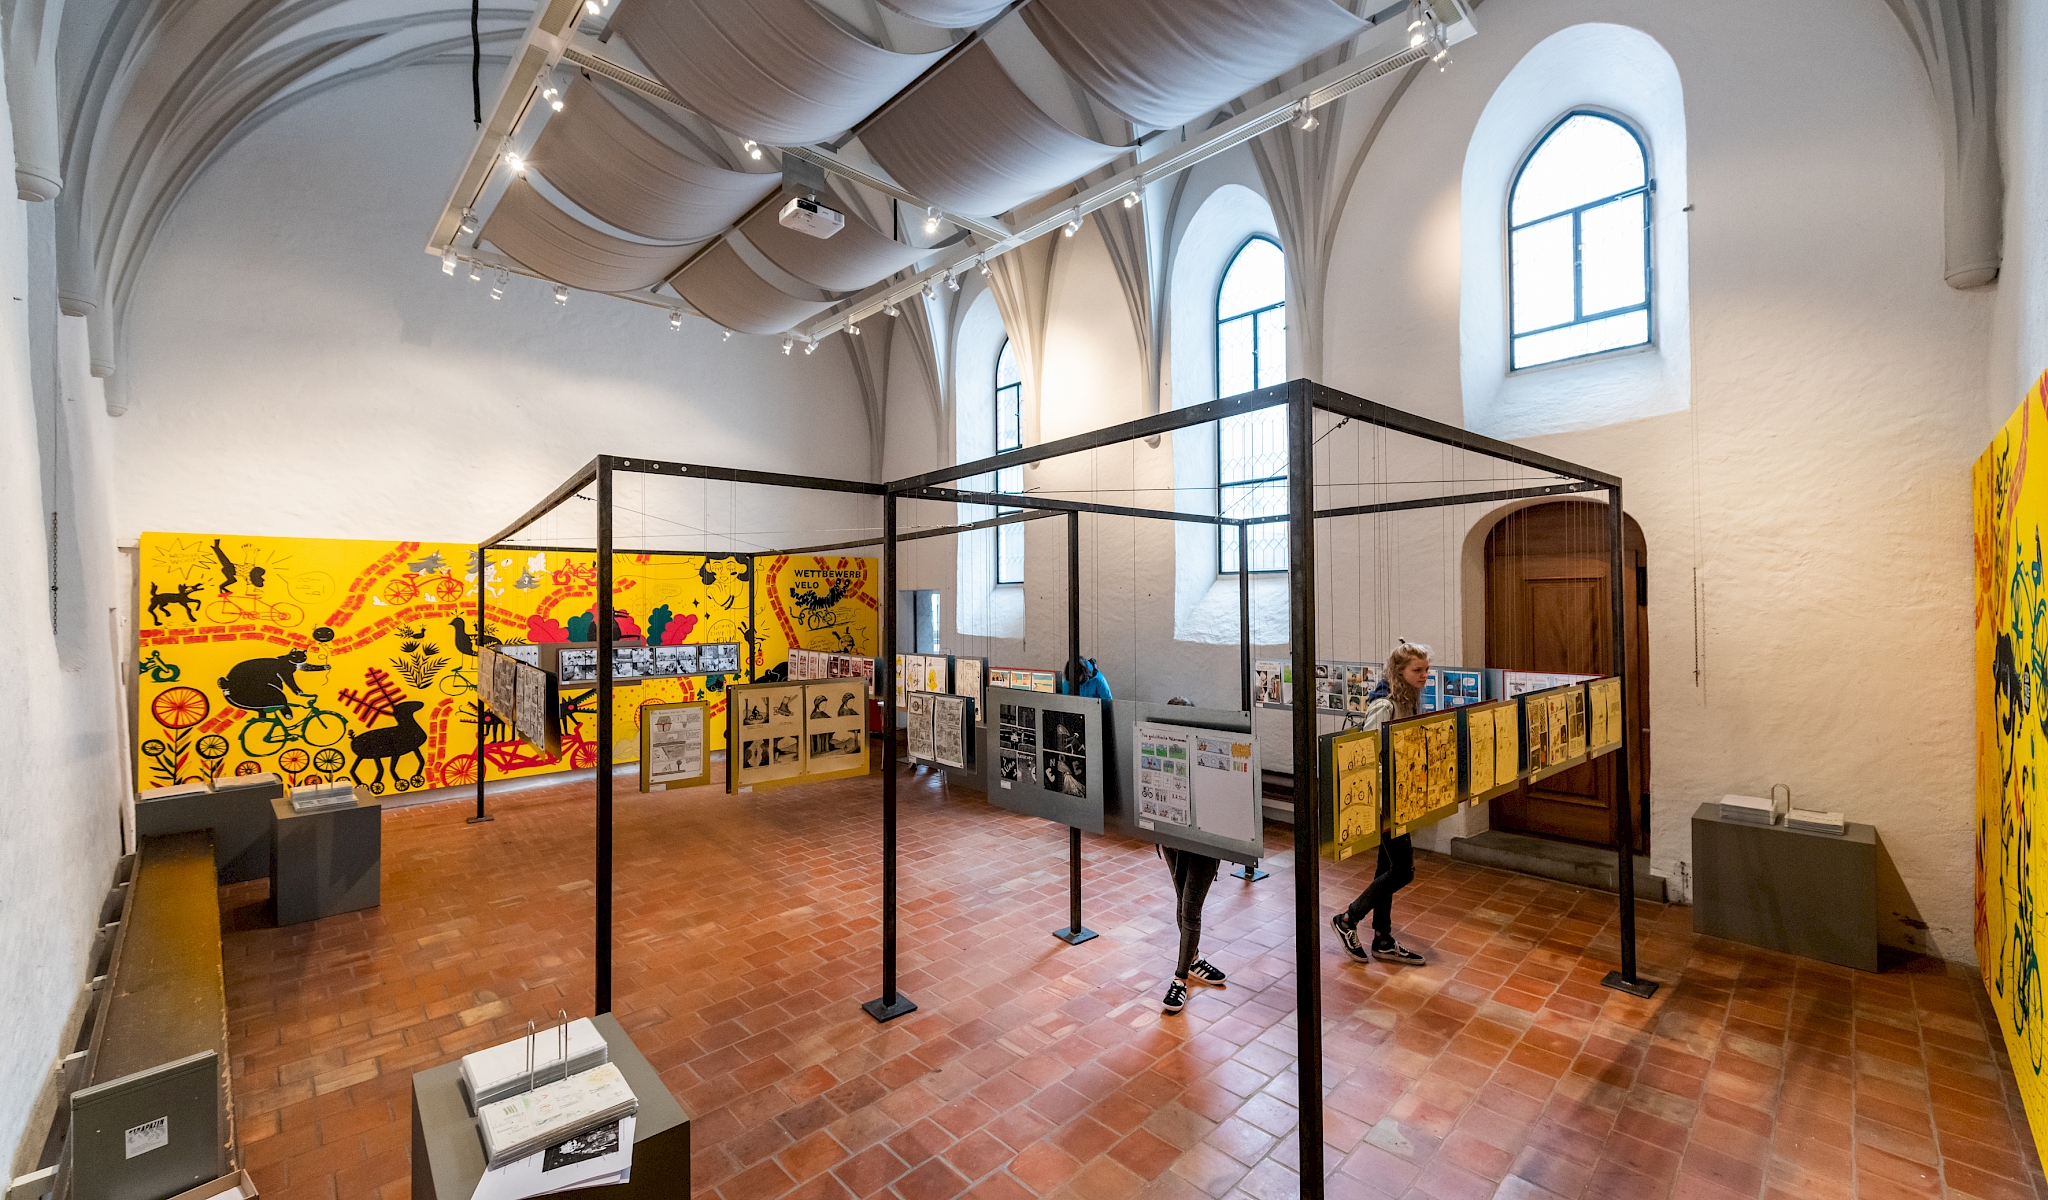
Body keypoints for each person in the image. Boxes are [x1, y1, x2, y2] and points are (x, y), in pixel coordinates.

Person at [1331, 640, 1431, 967]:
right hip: (1385, 799)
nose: (1424, 675)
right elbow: (1369, 756)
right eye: (1417, 670)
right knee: (1402, 870)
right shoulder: (1385, 705)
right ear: (1399, 672)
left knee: (1385, 867)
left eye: (1426, 669)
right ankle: (1348, 919)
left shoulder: (1409, 701)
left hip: (1399, 795)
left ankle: (1383, 939)